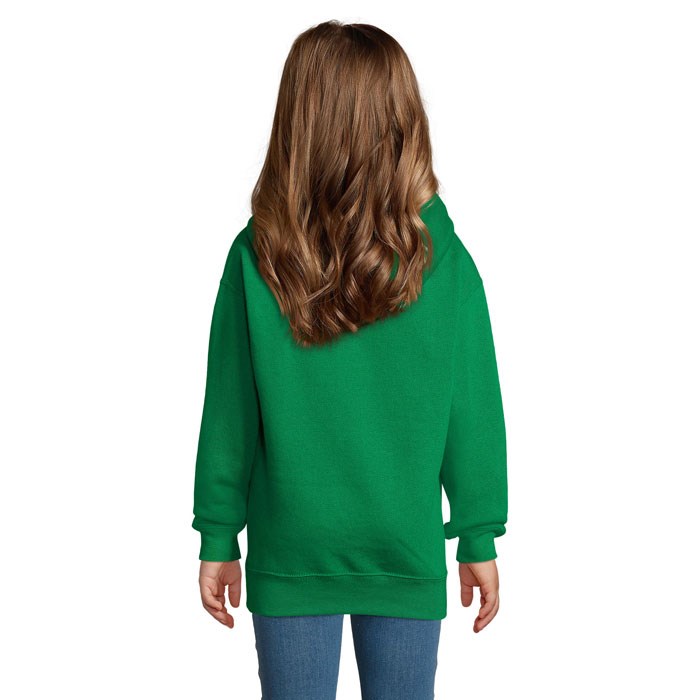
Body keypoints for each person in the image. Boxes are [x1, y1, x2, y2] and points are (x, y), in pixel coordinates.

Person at [191, 19, 508, 700]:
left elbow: (228, 416)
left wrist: (218, 535)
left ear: (297, 122)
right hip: (403, 549)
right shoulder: (446, 265)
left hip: (292, 550)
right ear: (402, 122)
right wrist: (477, 536)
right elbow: (474, 413)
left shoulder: (256, 258)